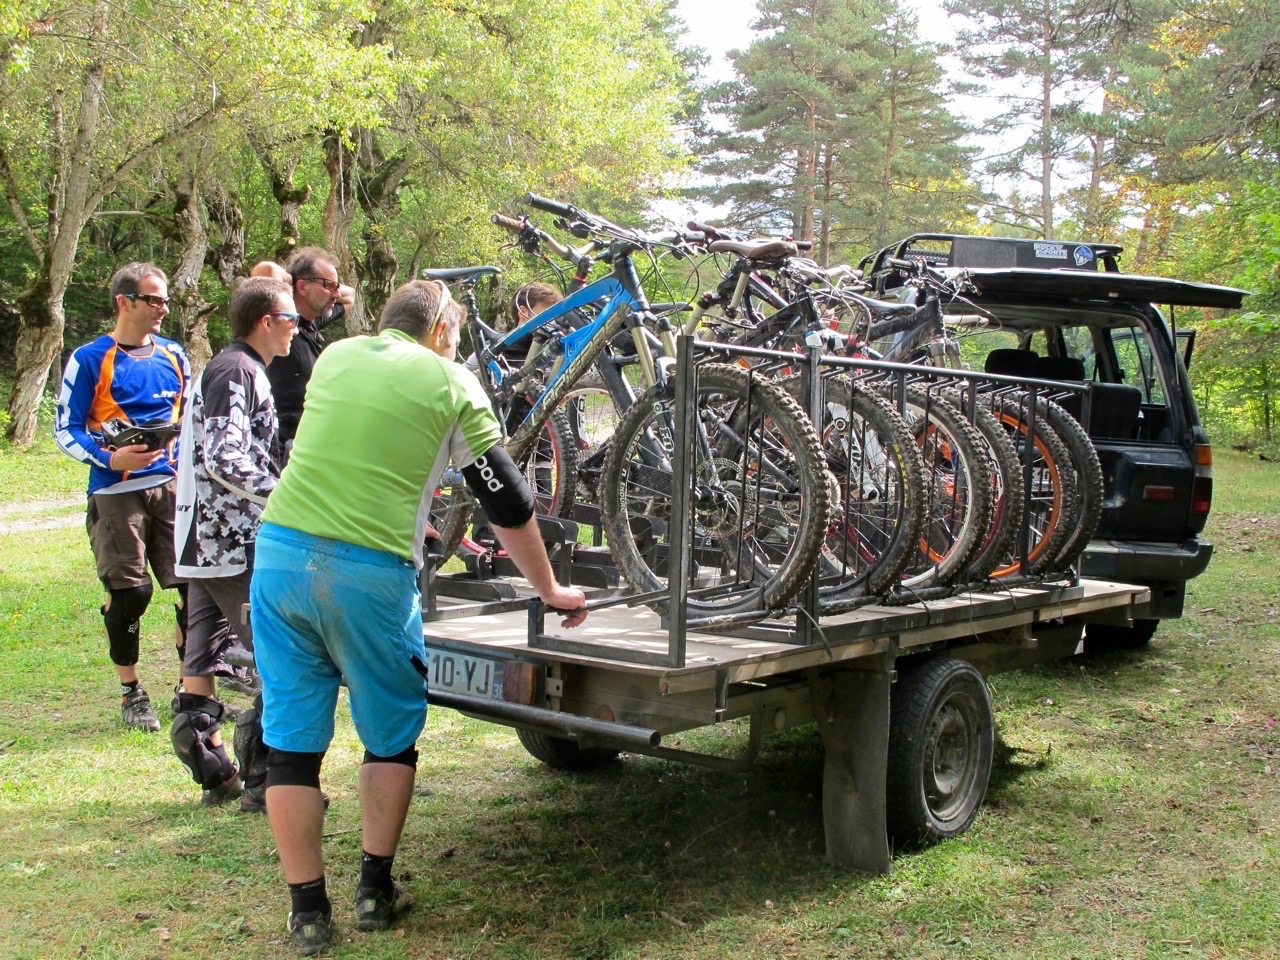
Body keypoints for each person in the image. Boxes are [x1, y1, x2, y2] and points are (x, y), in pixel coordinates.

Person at [249, 279, 588, 955]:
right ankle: (375, 891)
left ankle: (307, 912)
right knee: (389, 737)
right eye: (456, 338)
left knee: (291, 745)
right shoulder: (452, 380)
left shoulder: (337, 356)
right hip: (369, 575)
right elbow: (507, 500)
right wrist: (549, 589)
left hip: (280, 557)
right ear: (440, 330)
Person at [170, 276, 297, 807]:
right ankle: (265, 781)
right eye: (290, 318)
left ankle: (217, 776)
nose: (297, 328)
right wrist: (290, 495)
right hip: (228, 542)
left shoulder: (235, 368)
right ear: (265, 320)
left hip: (209, 543)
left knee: (199, 663)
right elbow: (225, 457)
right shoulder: (236, 370)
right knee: (280, 653)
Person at [54, 262, 191, 733]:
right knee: (130, 594)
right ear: (124, 302)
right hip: (115, 493)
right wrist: (109, 460)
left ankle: (188, 691)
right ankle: (131, 692)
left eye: (166, 299)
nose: (163, 309)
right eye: (154, 299)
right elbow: (66, 429)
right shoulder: (91, 358)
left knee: (194, 589)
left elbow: (190, 419)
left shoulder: (174, 354)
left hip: (170, 489)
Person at [259, 248, 354, 449]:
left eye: (336, 286)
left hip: (300, 445)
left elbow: (350, 296)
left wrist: (324, 283)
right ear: (301, 287)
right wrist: (293, 281)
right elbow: (266, 270)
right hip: (274, 445)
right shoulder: (279, 322)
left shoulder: (311, 324)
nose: (336, 293)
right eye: (329, 286)